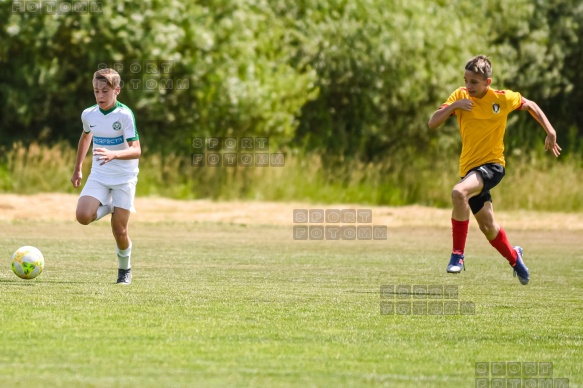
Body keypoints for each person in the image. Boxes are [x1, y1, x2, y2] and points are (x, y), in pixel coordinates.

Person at [428, 55, 561, 285]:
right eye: (466, 80)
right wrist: (455, 106)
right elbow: (432, 122)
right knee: (488, 227)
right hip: (470, 170)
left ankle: (457, 256)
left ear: (487, 82)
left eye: (474, 82)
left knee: (459, 193)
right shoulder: (459, 96)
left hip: (493, 166)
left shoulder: (502, 98)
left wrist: (550, 130)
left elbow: (530, 104)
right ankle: (514, 257)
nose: (468, 86)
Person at [71, 68, 141, 285]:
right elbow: (85, 138)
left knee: (119, 230)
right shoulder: (88, 114)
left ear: (116, 90)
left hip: (124, 178)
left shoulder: (124, 115)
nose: (100, 96)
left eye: (105, 91)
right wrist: (78, 168)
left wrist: (115, 154)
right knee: (83, 216)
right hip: (99, 175)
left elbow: (136, 149)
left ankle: (124, 270)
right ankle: (110, 206)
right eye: (96, 91)